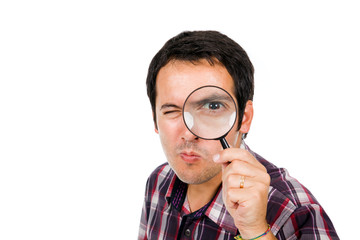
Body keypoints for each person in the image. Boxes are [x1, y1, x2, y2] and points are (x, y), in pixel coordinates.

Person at [138, 31, 339, 240]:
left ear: (244, 118)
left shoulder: (294, 211)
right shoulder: (159, 181)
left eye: (212, 107)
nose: (189, 134)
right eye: (171, 111)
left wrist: (256, 231)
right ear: (155, 119)